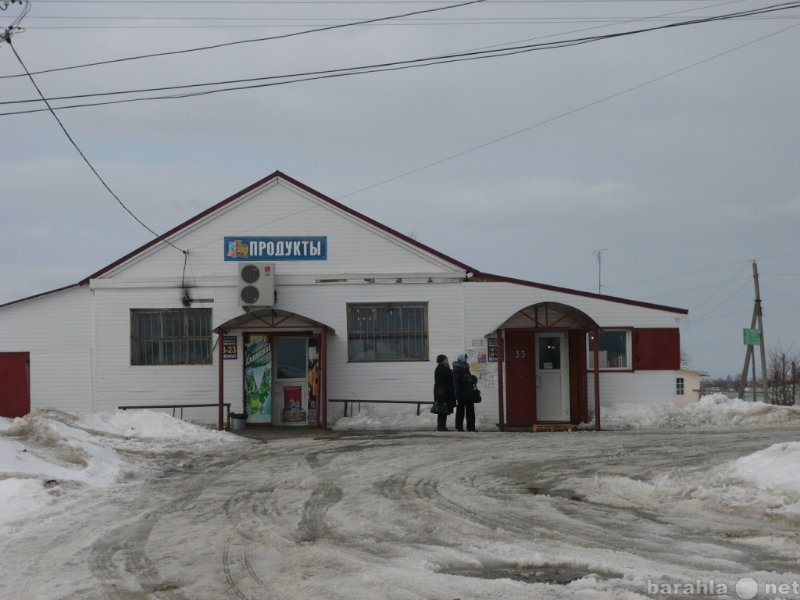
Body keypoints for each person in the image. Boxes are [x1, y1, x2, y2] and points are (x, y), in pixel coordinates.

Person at [452, 352, 477, 432]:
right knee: (460, 411)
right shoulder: (457, 368)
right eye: (465, 358)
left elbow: (467, 377)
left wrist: (472, 379)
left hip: (468, 392)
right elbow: (457, 380)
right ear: (461, 358)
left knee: (470, 411)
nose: (466, 359)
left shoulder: (466, 367)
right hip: (461, 392)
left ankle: (471, 427)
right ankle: (459, 427)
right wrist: (467, 379)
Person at [433, 354, 456, 431]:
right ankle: (440, 426)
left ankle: (443, 426)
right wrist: (441, 390)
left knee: (445, 409)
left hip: (446, 392)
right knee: (441, 409)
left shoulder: (445, 367)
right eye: (446, 359)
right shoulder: (440, 368)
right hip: (442, 392)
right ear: (442, 360)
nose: (447, 360)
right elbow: (440, 381)